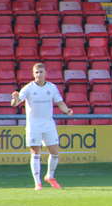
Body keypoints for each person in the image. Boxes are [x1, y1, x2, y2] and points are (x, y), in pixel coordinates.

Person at [10, 62, 73, 190]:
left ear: (46, 73)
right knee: (35, 153)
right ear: (33, 74)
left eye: (41, 72)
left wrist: (67, 110)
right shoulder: (28, 88)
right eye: (36, 72)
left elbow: (59, 102)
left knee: (55, 153)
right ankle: (37, 183)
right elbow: (15, 103)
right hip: (34, 126)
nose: (39, 74)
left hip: (48, 124)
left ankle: (50, 176)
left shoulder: (52, 87)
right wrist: (15, 98)